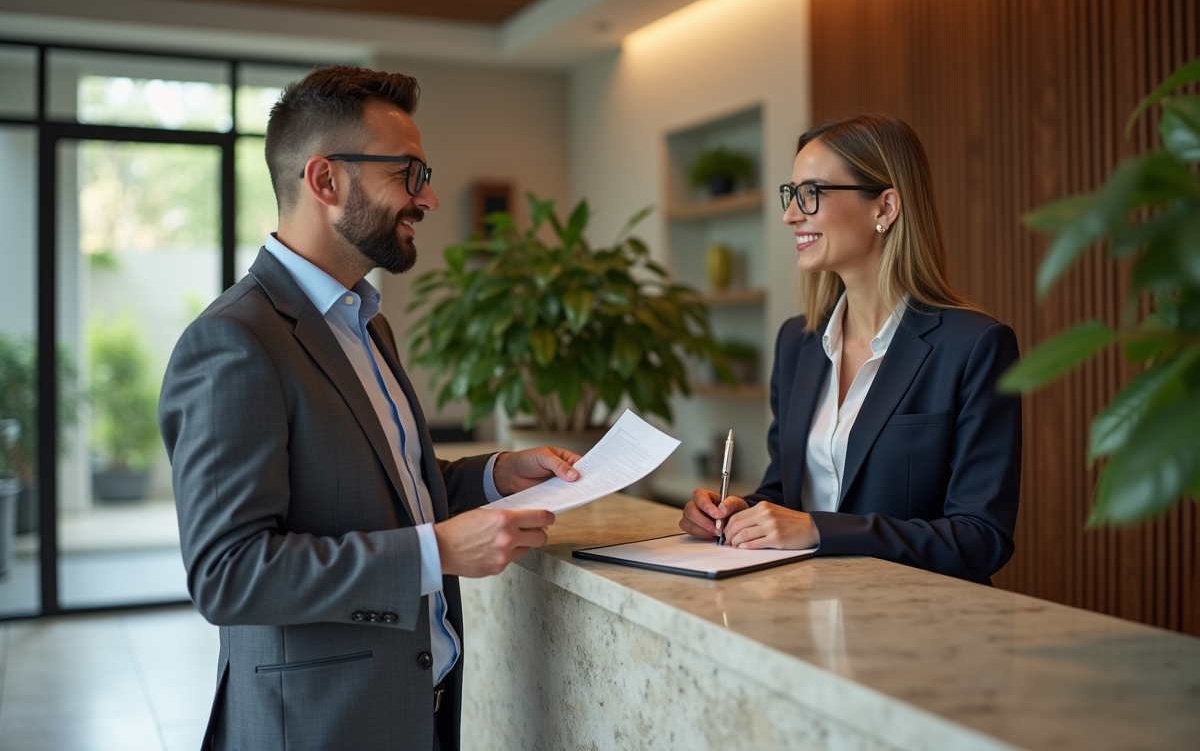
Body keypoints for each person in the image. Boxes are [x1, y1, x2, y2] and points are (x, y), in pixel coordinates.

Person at [159, 66, 582, 751]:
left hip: (420, 712)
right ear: (326, 181)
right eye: (409, 175)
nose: (430, 197)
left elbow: (394, 492)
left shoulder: (363, 321)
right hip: (320, 728)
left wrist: (499, 473)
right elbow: (228, 574)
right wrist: (437, 551)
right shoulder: (233, 342)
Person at [679, 114, 1021, 585]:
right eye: (791, 193)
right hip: (802, 616)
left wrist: (821, 530)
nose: (790, 214)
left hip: (912, 630)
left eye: (812, 193)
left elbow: (981, 538)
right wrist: (741, 512)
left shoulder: (975, 347)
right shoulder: (797, 343)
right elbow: (786, 490)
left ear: (885, 208)